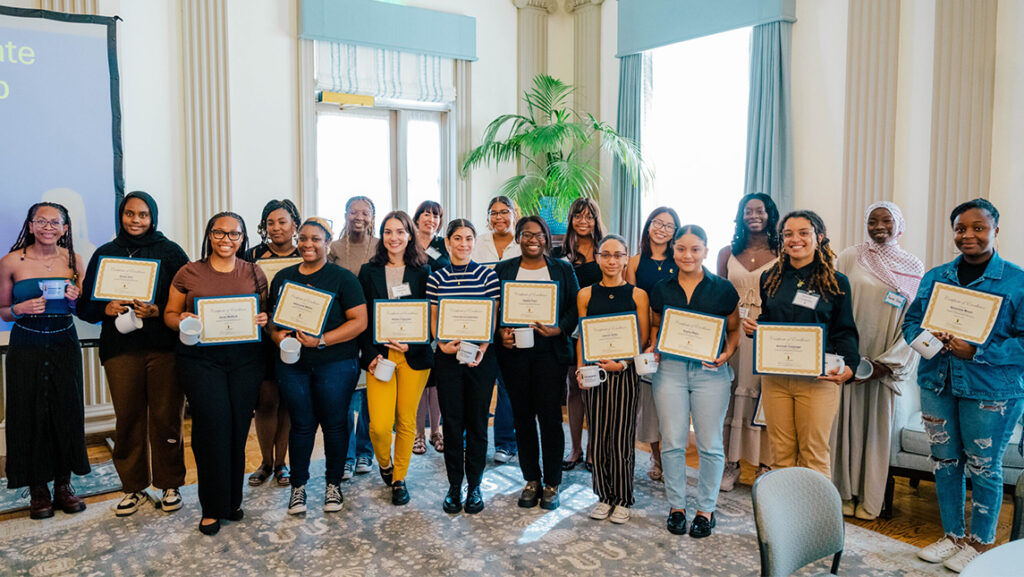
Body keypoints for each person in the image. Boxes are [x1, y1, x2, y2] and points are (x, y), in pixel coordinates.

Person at [903, 199, 1024, 573]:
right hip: (937, 384)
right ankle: (953, 536)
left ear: (995, 232)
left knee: (984, 466)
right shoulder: (936, 276)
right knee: (944, 462)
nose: (968, 235)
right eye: (960, 229)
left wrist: (978, 351)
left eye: (978, 228)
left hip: (992, 392)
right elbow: (911, 323)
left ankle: (981, 543)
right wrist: (929, 341)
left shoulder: (1017, 281)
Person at [77, 192, 190, 516]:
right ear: (121, 216)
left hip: (164, 349)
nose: (136, 220)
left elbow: (187, 300)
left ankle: (171, 484)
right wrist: (105, 307)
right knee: (128, 420)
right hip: (120, 350)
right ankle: (133, 488)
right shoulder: (105, 254)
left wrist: (157, 310)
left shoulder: (170, 252)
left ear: (152, 217)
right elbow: (85, 306)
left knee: (167, 419)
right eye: (130, 214)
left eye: (143, 214)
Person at [164, 212, 268, 536]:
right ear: (209, 235)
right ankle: (211, 507)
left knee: (238, 429)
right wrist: (181, 320)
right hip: (199, 361)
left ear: (243, 238)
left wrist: (263, 319)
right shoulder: (189, 272)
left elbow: (263, 313)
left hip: (245, 361)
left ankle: (232, 501)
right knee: (212, 429)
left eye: (234, 235)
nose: (227, 240)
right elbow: (168, 314)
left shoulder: (254, 272)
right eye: (220, 234)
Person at [741, 210, 858, 478]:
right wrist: (755, 329)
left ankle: (816, 519)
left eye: (803, 233)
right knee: (780, 454)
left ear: (819, 237)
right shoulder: (769, 277)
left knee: (814, 455)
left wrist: (851, 365)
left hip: (818, 380)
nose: (796, 239)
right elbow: (769, 321)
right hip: (776, 379)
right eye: (788, 234)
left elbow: (845, 330)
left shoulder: (837, 282)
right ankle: (786, 519)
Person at [268, 217, 368, 516]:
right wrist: (276, 335)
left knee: (335, 425)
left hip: (335, 363)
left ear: (327, 243)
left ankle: (333, 485)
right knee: (301, 425)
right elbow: (273, 321)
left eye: (316, 239)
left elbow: (359, 322)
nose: (308, 244)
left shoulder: (343, 278)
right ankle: (298, 487)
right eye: (303, 238)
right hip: (294, 364)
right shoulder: (283, 277)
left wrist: (321, 340)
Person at [647, 225, 740, 538]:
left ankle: (705, 509)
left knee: (709, 443)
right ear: (673, 251)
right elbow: (656, 325)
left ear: (706, 251)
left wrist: (727, 353)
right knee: (672, 440)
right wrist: (652, 345)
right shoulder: (661, 288)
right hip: (670, 369)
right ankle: (676, 506)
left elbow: (734, 329)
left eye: (695, 249)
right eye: (681, 249)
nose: (688, 255)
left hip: (710, 371)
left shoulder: (723, 288)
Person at [833, 201, 923, 521]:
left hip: (883, 364)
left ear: (898, 225)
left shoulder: (913, 266)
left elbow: (916, 321)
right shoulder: (849, 256)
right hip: (848, 359)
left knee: (875, 433)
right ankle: (842, 495)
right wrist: (844, 357)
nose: (879, 226)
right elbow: (833, 305)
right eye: (873, 220)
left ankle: (869, 501)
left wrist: (884, 364)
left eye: (886, 220)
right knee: (842, 428)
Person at [0, 202, 89, 520]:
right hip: (27, 342)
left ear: (66, 228)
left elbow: (84, 309)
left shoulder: (75, 259)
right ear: (31, 224)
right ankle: (38, 489)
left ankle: (64, 485)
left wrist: (76, 300)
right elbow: (3, 310)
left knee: (65, 409)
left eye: (56, 222)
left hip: (65, 340)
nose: (48, 226)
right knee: (28, 411)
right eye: (41, 221)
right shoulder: (11, 261)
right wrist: (20, 310)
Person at [495, 216, 580, 510]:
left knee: (550, 419)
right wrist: (500, 333)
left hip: (550, 353)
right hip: (515, 354)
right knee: (522, 418)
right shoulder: (503, 269)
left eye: (539, 234)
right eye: (527, 234)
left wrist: (560, 329)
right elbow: (495, 310)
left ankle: (552, 482)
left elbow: (575, 306)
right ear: (518, 238)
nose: (534, 239)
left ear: (547, 238)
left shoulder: (562, 269)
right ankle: (531, 479)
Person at [427, 219, 501, 515]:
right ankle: (454, 486)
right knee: (453, 424)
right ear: (447, 242)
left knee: (478, 424)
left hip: (481, 358)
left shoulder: (488, 276)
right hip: (448, 357)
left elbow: (492, 317)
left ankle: (475, 485)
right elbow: (434, 318)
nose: (463, 244)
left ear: (474, 242)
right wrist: (441, 344)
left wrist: (482, 348)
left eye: (469, 238)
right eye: (457, 238)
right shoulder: (437, 278)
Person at [359, 211, 433, 506]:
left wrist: (415, 343)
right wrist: (371, 355)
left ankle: (399, 478)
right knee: (378, 425)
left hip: (413, 356)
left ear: (410, 235)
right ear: (381, 236)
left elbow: (433, 315)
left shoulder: (426, 270)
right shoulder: (368, 271)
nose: (394, 238)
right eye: (388, 232)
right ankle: (385, 463)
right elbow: (361, 316)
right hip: (380, 357)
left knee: (405, 420)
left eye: (400, 232)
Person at [576, 234, 650, 524]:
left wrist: (622, 363)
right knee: (599, 436)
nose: (611, 261)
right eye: (605, 255)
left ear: (625, 258)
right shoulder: (585, 294)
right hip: (594, 373)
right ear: (597, 257)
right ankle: (603, 495)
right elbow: (582, 334)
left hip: (624, 372)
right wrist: (581, 367)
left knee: (620, 438)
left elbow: (642, 338)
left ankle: (623, 498)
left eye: (618, 255)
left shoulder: (637, 295)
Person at [717, 193, 780, 490]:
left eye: (760, 210)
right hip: (734, 331)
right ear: (740, 216)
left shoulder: (782, 251)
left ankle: (765, 463)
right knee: (731, 394)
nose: (754, 215)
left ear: (770, 214)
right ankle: (731, 464)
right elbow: (716, 295)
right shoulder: (727, 252)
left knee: (764, 395)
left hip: (767, 332)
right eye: (747, 210)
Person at [244, 199, 301, 488]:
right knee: (265, 402)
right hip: (262, 339)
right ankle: (266, 462)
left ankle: (283, 464)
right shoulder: (251, 255)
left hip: (296, 338)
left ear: (295, 224)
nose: (276, 227)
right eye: (270, 222)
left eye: (282, 221)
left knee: (289, 402)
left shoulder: (307, 252)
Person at [625, 207, 680, 482]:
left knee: (671, 401)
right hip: (644, 338)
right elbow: (631, 303)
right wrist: (643, 339)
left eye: (669, 226)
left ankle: (672, 455)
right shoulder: (634, 262)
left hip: (676, 338)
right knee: (650, 401)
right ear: (648, 226)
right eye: (658, 223)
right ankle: (656, 456)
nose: (662, 229)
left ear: (675, 233)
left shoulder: (680, 260)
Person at [327, 196, 377, 478]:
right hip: (343, 328)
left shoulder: (382, 246)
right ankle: (345, 454)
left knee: (371, 394)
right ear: (345, 214)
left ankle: (365, 452)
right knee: (343, 394)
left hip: (372, 330)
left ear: (372, 216)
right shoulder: (333, 248)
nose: (359, 216)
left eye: (365, 212)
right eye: (353, 212)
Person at [554, 197, 605, 472]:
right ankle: (575, 448)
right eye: (578, 216)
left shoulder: (605, 250)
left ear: (597, 220)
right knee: (574, 386)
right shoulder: (561, 252)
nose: (583, 221)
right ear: (571, 219)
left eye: (589, 216)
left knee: (596, 388)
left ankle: (594, 448)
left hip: (599, 328)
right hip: (571, 328)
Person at [473, 196, 520, 464]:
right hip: (479, 322)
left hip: (510, 325)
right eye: (494, 213)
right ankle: (473, 439)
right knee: (478, 384)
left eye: (504, 212)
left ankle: (505, 443)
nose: (499, 217)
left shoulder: (522, 242)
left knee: (506, 386)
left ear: (514, 214)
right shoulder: (478, 243)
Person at [412, 201, 447, 454]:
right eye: (426, 213)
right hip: (411, 317)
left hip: (440, 316)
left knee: (435, 380)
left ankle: (436, 431)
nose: (430, 218)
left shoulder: (443, 244)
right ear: (417, 218)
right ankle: (417, 433)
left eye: (435, 215)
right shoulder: (406, 241)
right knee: (418, 378)